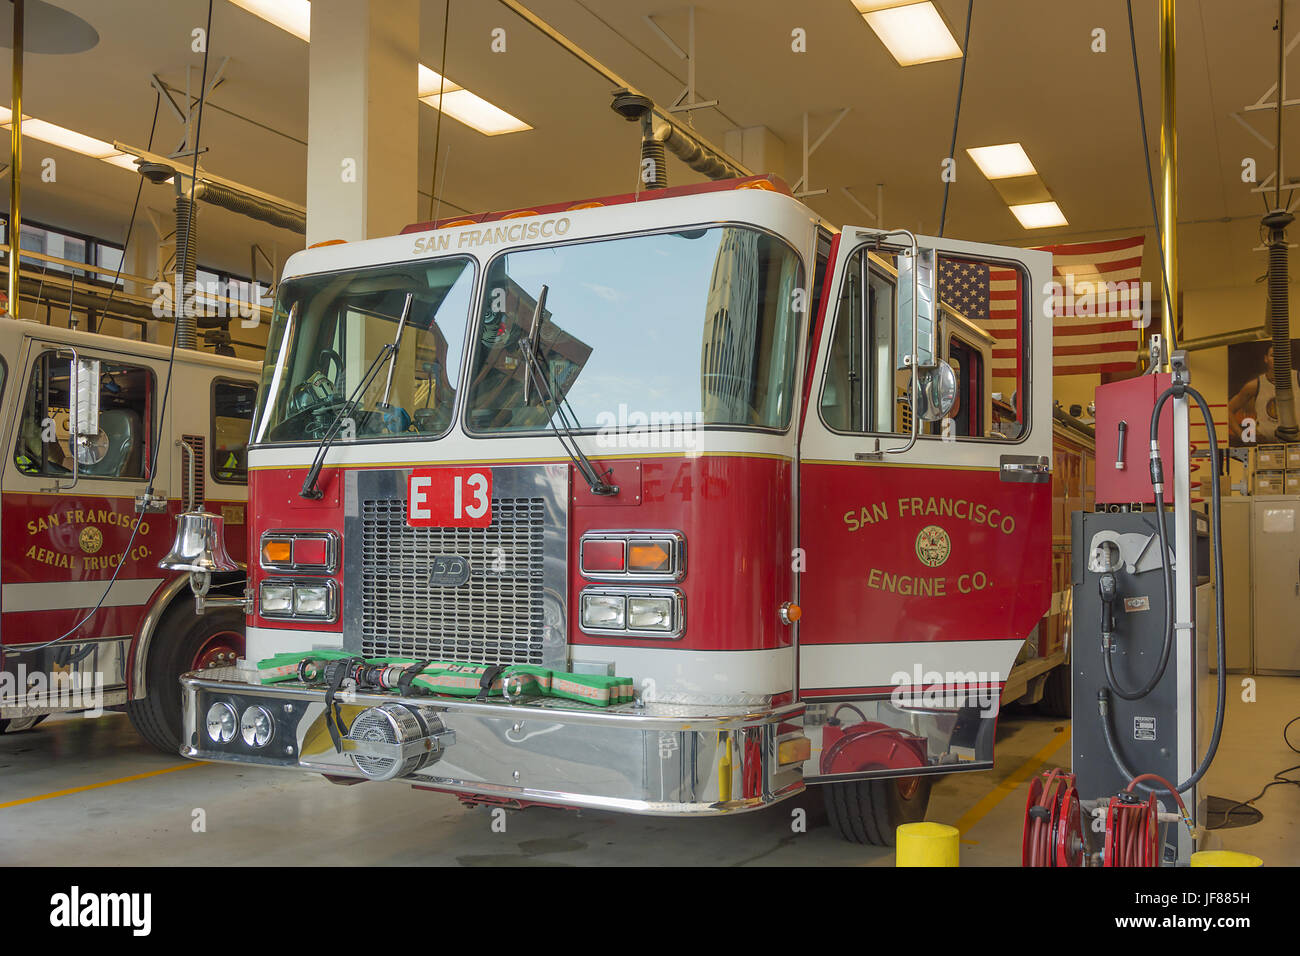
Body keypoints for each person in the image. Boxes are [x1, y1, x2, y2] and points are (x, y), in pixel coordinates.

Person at [1228, 344, 1300, 443]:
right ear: (1266, 359)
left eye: (1281, 355)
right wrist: (1244, 438)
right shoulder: (1255, 385)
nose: (1278, 359)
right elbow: (1228, 410)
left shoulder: (1298, 379)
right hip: (1266, 447)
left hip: (1296, 446)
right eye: (1273, 355)